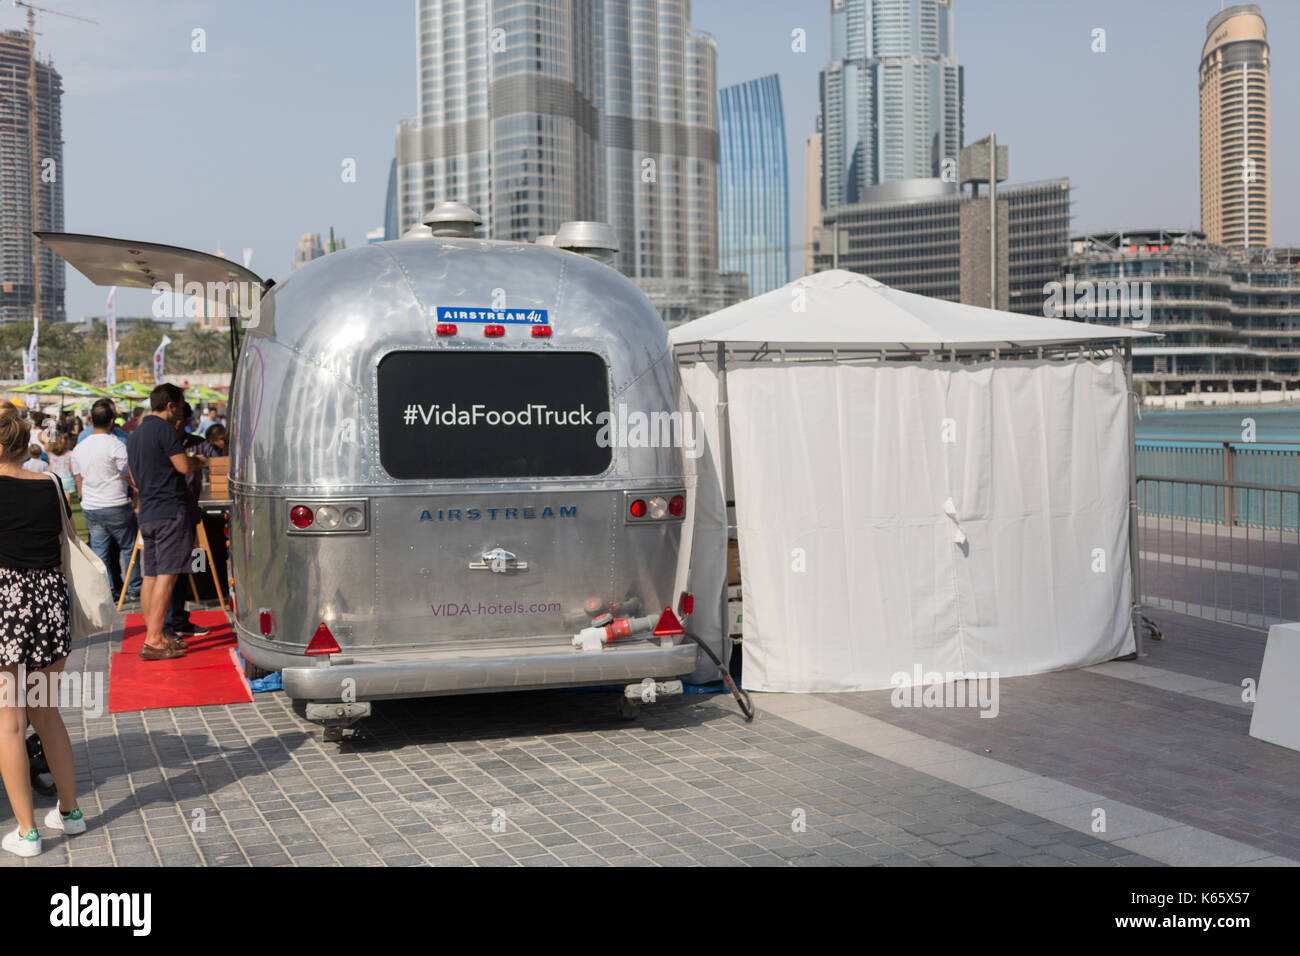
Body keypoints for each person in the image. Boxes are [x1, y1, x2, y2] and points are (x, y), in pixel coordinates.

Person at [0, 406, 86, 857]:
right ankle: (70, 814)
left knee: (10, 724)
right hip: (50, 601)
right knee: (46, 713)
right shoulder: (51, 483)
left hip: (4, 605)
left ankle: (28, 833)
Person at [126, 384, 207, 660]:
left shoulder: (135, 435)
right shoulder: (165, 430)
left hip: (148, 511)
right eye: (182, 406)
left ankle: (154, 635)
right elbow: (183, 466)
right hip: (170, 510)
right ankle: (155, 640)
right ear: (171, 405)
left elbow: (134, 479)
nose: (183, 411)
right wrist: (198, 461)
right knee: (168, 575)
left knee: (151, 575)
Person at [71, 400, 142, 602]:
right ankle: (134, 586)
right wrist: (137, 492)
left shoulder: (80, 447)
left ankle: (108, 589)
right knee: (129, 548)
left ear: (92, 420)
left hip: (92, 506)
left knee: (100, 551)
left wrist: (85, 497)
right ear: (112, 421)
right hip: (116, 503)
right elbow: (129, 474)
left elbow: (78, 478)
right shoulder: (117, 445)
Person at [162, 403, 211, 642]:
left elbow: (215, 461)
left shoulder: (199, 442)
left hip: (190, 510)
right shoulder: (163, 442)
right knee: (168, 569)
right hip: (168, 512)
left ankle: (180, 617)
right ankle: (168, 622)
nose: (179, 423)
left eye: (183, 420)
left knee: (187, 565)